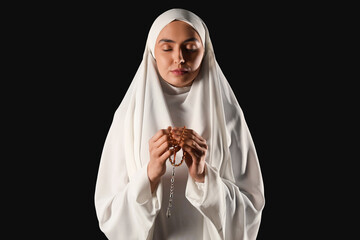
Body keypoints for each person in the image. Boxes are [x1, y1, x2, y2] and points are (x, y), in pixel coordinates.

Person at [94, 8, 265, 240]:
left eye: (190, 47)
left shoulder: (228, 115)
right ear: (152, 52)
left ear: (205, 51)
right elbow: (109, 214)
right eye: (167, 48)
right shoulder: (128, 118)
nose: (179, 58)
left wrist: (204, 176)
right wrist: (150, 174)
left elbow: (251, 212)